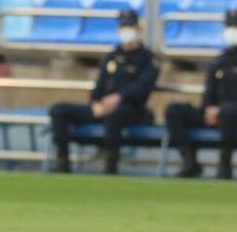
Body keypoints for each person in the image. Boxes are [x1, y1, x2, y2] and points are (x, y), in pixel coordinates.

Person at [49, 9, 160, 175]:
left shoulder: (148, 58)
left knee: (115, 115)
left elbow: (142, 87)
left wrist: (119, 98)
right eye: (123, 26)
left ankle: (110, 164)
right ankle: (62, 160)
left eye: (130, 26)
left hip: (130, 110)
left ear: (139, 29)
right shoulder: (111, 56)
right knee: (59, 110)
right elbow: (100, 84)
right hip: (102, 107)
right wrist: (96, 103)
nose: (126, 31)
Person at [165, 9, 237, 180]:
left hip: (236, 115)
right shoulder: (219, 60)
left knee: (229, 112)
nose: (233, 30)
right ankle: (190, 161)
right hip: (215, 114)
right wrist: (208, 110)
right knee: (174, 110)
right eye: (229, 25)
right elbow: (209, 93)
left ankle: (224, 167)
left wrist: (221, 111)